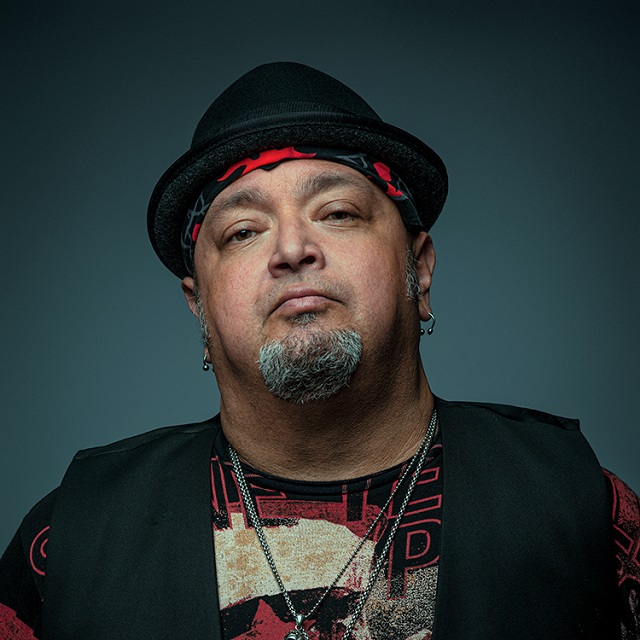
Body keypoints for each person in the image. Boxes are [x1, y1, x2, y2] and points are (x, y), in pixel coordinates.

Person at [1, 62, 638, 640]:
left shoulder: (582, 509)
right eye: (243, 231)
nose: (291, 249)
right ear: (199, 306)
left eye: (336, 213)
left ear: (418, 269)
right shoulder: (68, 543)